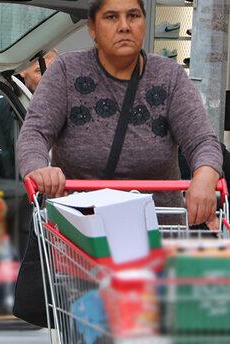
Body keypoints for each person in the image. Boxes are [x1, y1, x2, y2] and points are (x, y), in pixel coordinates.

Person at [14, 0, 223, 327]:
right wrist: (39, 168)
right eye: (111, 17)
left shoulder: (168, 77)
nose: (124, 25)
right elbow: (34, 133)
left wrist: (204, 177)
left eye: (134, 16)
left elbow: (203, 141)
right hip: (82, 244)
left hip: (156, 240)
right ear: (93, 29)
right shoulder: (67, 72)